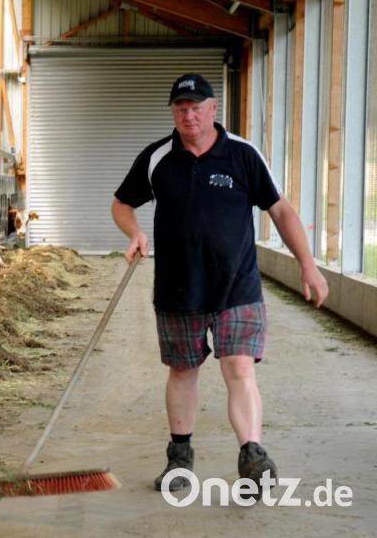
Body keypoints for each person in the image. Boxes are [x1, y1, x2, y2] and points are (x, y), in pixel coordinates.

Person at [110, 73, 329, 493]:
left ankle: (252, 454)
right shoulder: (158, 158)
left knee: (240, 367)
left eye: (196, 107)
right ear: (173, 113)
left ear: (213, 109)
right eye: (180, 108)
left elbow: (280, 210)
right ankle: (180, 459)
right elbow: (121, 203)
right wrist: (134, 232)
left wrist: (309, 265)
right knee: (182, 370)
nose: (188, 115)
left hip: (237, 287)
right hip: (178, 286)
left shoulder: (243, 155)